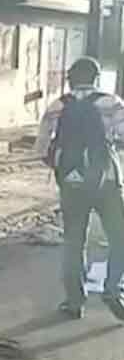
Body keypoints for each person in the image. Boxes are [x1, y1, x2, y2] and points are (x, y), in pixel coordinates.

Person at [34, 57, 124, 322]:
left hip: (72, 184)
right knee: (119, 237)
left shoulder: (56, 106)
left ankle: (74, 301)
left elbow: (41, 149)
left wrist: (63, 168)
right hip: (106, 181)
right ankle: (111, 290)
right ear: (96, 78)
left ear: (70, 78)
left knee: (74, 241)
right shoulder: (112, 104)